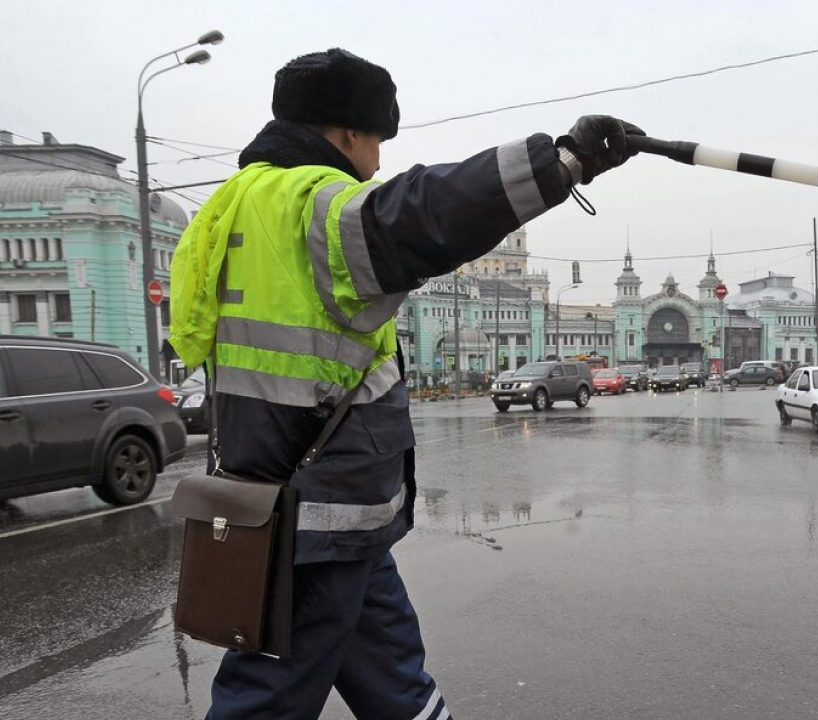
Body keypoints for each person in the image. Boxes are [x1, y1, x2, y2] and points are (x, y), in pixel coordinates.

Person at [169, 48, 644, 720]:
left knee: (396, 683)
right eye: (376, 142)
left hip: (297, 499)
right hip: (320, 511)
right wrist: (565, 161)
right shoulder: (318, 206)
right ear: (348, 134)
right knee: (265, 698)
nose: (379, 162)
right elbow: (430, 211)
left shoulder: (225, 210)